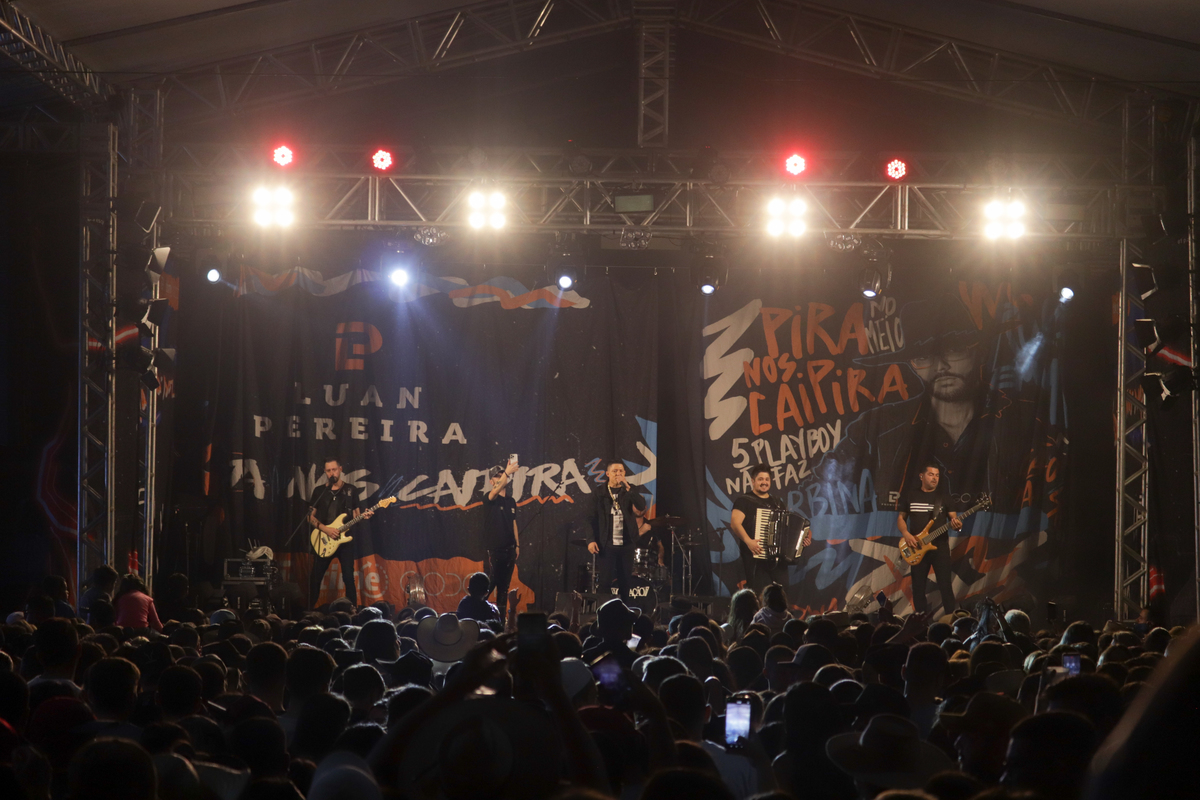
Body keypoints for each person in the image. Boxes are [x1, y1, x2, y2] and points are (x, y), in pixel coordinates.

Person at [730, 464, 812, 593]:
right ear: (753, 481)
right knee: (760, 593)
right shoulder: (744, 501)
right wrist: (748, 541)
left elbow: (788, 529)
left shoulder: (777, 502)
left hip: (778, 559)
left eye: (767, 479)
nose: (764, 482)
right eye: (760, 479)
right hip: (756, 556)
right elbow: (735, 523)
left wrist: (802, 540)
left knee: (782, 593)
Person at [308, 458, 373, 609]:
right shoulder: (319, 491)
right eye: (328, 470)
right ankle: (309, 610)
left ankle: (352, 611)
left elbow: (356, 514)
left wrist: (364, 516)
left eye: (334, 470)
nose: (332, 473)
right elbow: (310, 517)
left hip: (344, 542)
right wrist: (326, 529)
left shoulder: (351, 490)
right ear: (325, 472)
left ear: (340, 469)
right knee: (315, 577)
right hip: (324, 539)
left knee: (348, 578)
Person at [897, 464, 961, 615]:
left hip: (940, 547)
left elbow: (955, 520)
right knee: (918, 586)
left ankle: (951, 619)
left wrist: (957, 525)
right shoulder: (910, 495)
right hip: (917, 547)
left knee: (945, 585)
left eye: (937, 475)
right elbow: (901, 518)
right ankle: (921, 620)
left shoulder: (944, 497)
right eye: (931, 474)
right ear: (921, 476)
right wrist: (906, 534)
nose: (935, 478)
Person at [588, 460, 646, 602]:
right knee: (605, 582)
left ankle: (624, 611)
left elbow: (641, 505)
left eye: (621, 471)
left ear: (624, 473)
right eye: (615, 471)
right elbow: (590, 518)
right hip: (607, 543)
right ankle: (604, 611)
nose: (618, 474)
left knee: (625, 582)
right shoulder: (599, 493)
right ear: (608, 474)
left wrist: (628, 487)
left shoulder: (629, 490)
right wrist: (590, 540)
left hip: (626, 544)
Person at [483, 461, 520, 624]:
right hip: (495, 549)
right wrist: (507, 473)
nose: (500, 478)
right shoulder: (489, 498)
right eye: (496, 476)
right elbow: (494, 492)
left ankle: (500, 621)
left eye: (501, 475)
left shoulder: (511, 501)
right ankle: (478, 615)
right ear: (491, 481)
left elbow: (513, 523)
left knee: (504, 588)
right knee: (489, 585)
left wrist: (517, 545)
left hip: (509, 549)